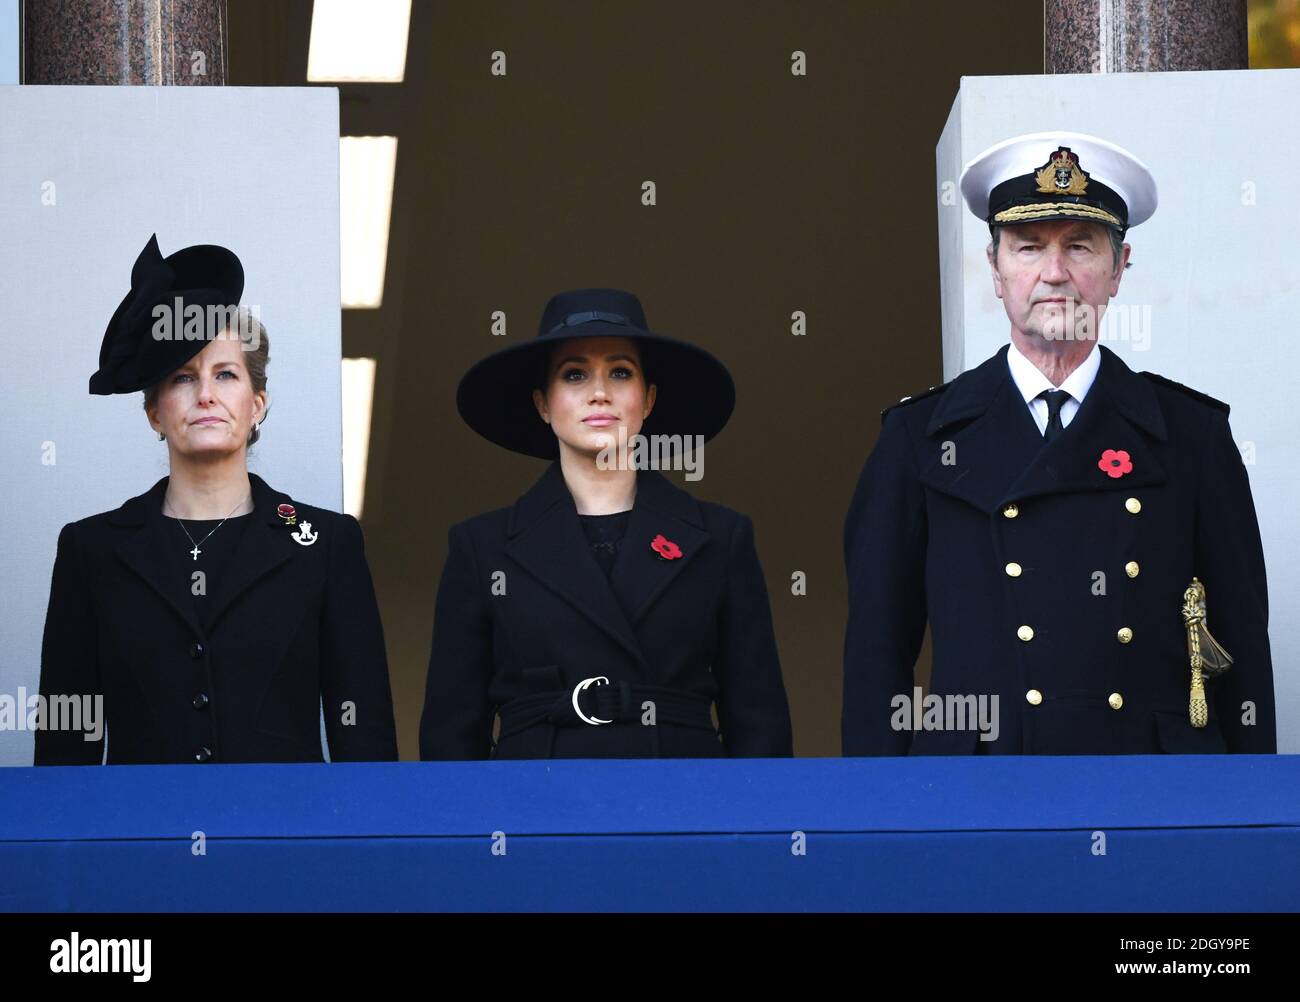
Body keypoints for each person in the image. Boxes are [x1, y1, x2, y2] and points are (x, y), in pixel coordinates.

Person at [842, 132, 1276, 756]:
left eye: (1080, 246)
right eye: (1028, 247)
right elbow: (877, 659)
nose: (1054, 273)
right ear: (994, 270)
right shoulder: (919, 438)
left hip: (1146, 793)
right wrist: (881, 823)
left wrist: (1244, 819)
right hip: (981, 793)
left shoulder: (1191, 436)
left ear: (1119, 268)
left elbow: (1241, 653)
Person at [35, 234, 397, 765]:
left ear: (258, 403)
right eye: (183, 378)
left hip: (283, 839)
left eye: (225, 374)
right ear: (154, 412)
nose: (205, 393)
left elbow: (364, 740)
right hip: (139, 841)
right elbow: (64, 750)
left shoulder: (326, 544)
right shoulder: (90, 551)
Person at [420, 288, 793, 759]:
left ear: (649, 398)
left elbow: (760, 724)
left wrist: (746, 829)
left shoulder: (721, 538)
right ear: (542, 404)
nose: (599, 392)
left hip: (685, 806)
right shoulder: (481, 547)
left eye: (620, 372)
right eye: (574, 374)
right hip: (532, 809)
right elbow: (450, 735)